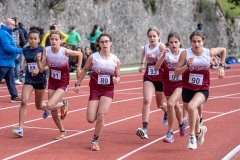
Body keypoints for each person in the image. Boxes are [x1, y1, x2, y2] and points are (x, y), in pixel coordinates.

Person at [174, 30, 226, 149]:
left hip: (203, 89)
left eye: (199, 41)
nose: (196, 44)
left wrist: (222, 67)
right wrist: (187, 65)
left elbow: (223, 50)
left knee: (192, 107)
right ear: (190, 42)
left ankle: (191, 137)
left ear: (203, 42)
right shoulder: (185, 54)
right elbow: (176, 73)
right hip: (187, 88)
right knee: (193, 111)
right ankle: (199, 131)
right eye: (194, 42)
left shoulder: (208, 52)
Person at [74, 33, 120, 151]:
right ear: (99, 44)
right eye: (102, 42)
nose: (104, 44)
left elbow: (118, 76)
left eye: (107, 41)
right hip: (95, 89)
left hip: (108, 90)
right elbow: (84, 70)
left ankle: (95, 140)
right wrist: (78, 84)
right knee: (90, 119)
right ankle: (97, 123)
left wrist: (116, 79)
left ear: (111, 43)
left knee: (101, 116)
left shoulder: (115, 59)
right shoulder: (93, 57)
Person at [37, 31, 83, 140]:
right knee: (52, 109)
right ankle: (62, 130)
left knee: (49, 105)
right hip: (52, 81)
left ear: (60, 41)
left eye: (56, 39)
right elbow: (41, 69)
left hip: (63, 82)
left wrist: (78, 68)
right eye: (52, 39)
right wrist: (39, 61)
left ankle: (63, 104)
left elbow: (80, 54)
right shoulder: (46, 50)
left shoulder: (64, 51)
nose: (53, 41)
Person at [12, 27, 48, 137]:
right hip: (29, 79)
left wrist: (39, 69)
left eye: (34, 38)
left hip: (40, 80)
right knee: (24, 101)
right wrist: (23, 68)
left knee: (38, 105)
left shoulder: (42, 50)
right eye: (30, 38)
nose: (32, 40)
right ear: (28, 39)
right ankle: (20, 129)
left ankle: (47, 107)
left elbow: (47, 65)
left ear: (38, 40)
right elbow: (26, 60)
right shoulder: (25, 50)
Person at [154, 32, 187, 143]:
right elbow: (156, 68)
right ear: (168, 42)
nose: (173, 44)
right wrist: (162, 57)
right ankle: (181, 124)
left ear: (180, 42)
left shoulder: (184, 53)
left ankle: (170, 133)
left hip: (180, 84)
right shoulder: (166, 53)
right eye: (171, 42)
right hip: (168, 85)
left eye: (176, 42)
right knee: (176, 107)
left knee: (170, 104)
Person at [136, 27, 168, 140]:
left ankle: (167, 112)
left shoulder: (161, 46)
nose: (152, 38)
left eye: (154, 36)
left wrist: (157, 57)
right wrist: (141, 64)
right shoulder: (145, 47)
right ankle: (144, 128)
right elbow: (144, 55)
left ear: (158, 37)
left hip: (161, 78)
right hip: (149, 76)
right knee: (147, 100)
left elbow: (167, 58)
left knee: (160, 104)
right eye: (150, 36)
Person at [0, 18, 22, 102]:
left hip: (9, 62)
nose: (14, 27)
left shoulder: (6, 33)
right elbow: (7, 48)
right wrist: (19, 50)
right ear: (8, 24)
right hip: (3, 62)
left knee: (11, 80)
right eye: (13, 25)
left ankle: (14, 96)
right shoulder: (4, 33)